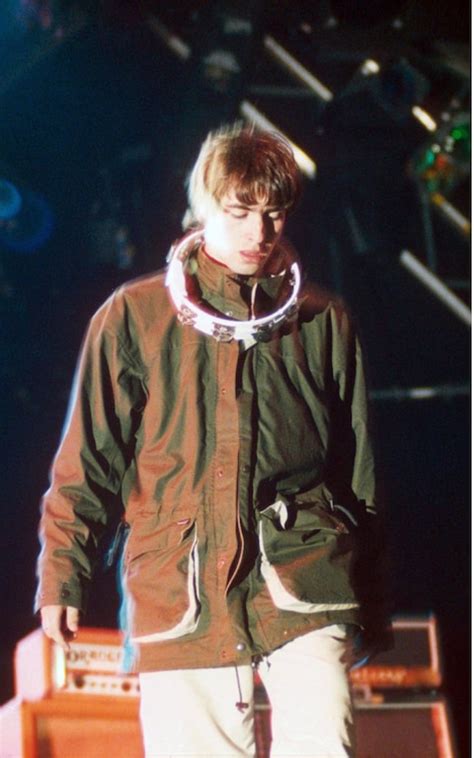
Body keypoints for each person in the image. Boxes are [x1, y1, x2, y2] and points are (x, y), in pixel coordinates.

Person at [36, 123, 388, 757]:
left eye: (275, 213)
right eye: (242, 211)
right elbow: (87, 461)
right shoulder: (134, 316)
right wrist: (62, 576)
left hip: (305, 573)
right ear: (204, 207)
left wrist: (373, 601)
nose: (261, 232)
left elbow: (357, 466)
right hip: (181, 586)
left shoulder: (323, 318)